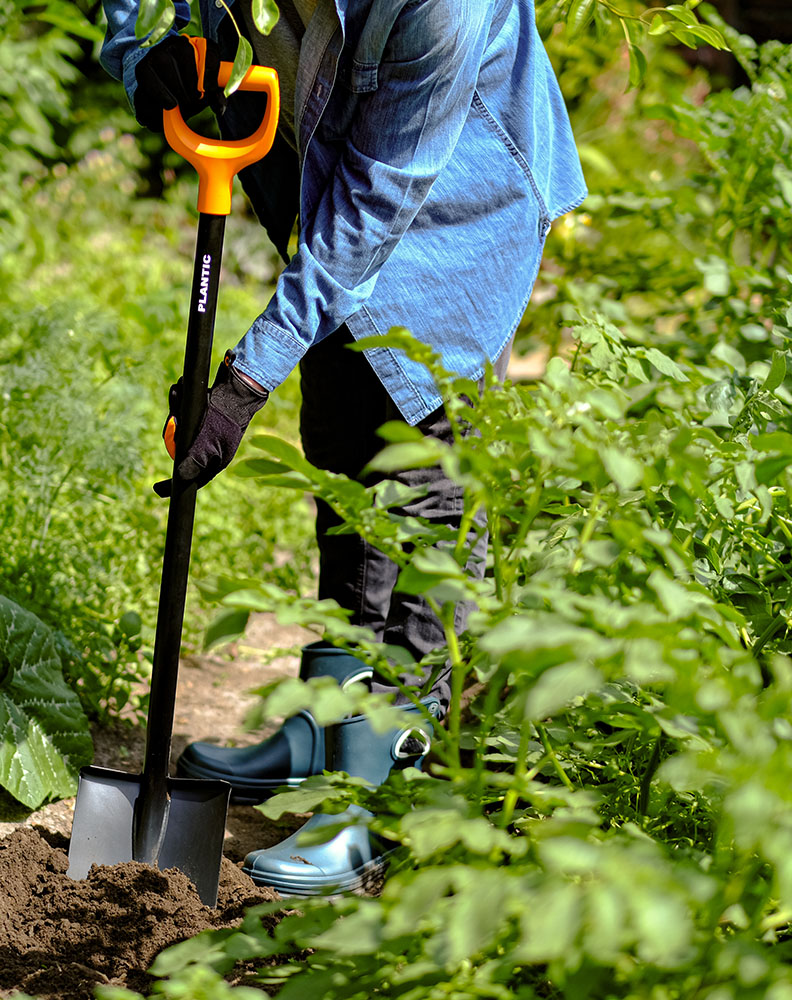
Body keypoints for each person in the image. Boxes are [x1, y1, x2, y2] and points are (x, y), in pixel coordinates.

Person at [100, 0, 586, 894]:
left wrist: (243, 383)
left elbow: (376, 202)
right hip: (318, 167)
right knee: (339, 445)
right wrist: (147, 52)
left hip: (461, 194)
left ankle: (384, 784)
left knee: (424, 478)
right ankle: (325, 726)